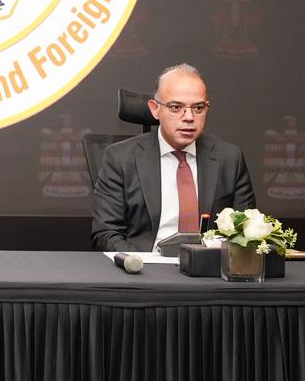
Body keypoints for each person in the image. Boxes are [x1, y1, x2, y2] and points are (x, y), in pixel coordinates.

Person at [91, 63, 255, 252]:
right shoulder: (120, 158)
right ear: (155, 109)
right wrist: (139, 263)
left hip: (209, 265)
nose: (189, 117)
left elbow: (246, 231)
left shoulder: (230, 158)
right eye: (176, 107)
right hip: (145, 264)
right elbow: (106, 233)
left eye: (198, 108)